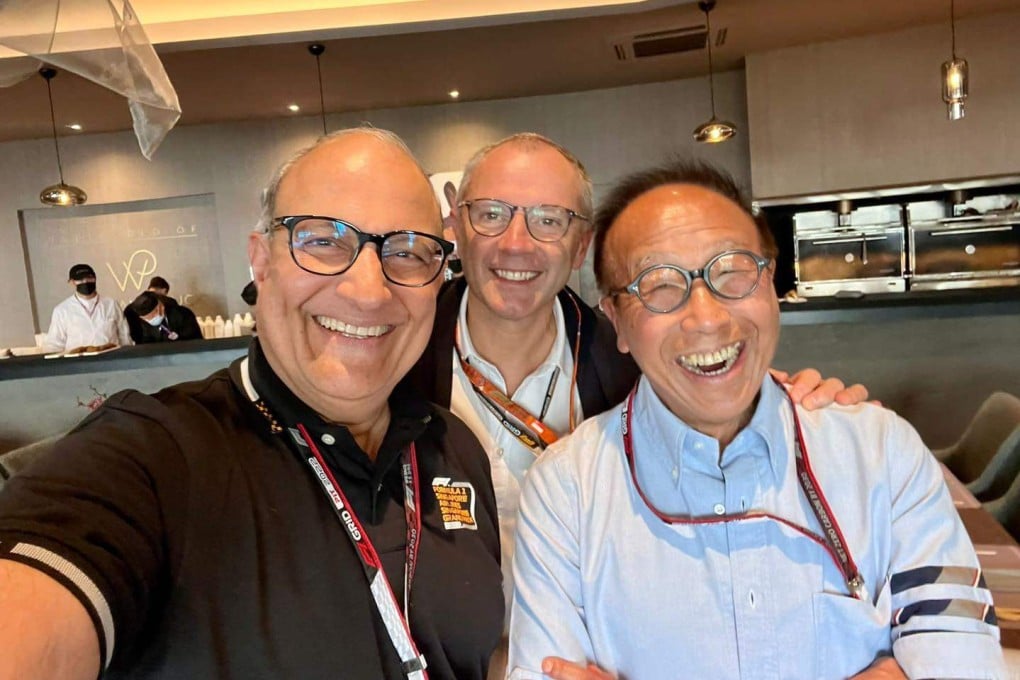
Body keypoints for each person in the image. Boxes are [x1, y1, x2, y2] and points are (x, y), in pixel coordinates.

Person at [0, 128, 503, 679]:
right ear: (261, 263)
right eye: (322, 241)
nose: (369, 291)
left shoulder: (452, 446)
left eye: (407, 252)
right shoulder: (158, 455)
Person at [508, 159, 1006, 679]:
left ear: (770, 284)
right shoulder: (566, 491)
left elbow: (964, 658)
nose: (708, 317)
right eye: (658, 284)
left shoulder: (881, 450)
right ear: (617, 322)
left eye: (733, 270)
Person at [405, 133, 868, 675]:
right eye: (490, 214)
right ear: (456, 226)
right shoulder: (397, 362)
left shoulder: (639, 368)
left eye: (549, 220)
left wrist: (797, 408)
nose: (516, 244)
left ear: (582, 246)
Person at [42, 263, 132, 353]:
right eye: (80, 280)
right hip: (78, 363)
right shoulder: (62, 310)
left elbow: (124, 336)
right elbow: (54, 344)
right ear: (72, 282)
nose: (85, 282)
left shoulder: (111, 304)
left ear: (95, 278)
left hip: (111, 359)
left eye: (89, 278)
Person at [125, 290, 202, 343]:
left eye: (150, 317)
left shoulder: (183, 314)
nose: (148, 321)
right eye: (145, 319)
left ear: (160, 308)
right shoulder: (144, 323)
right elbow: (147, 342)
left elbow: (194, 340)